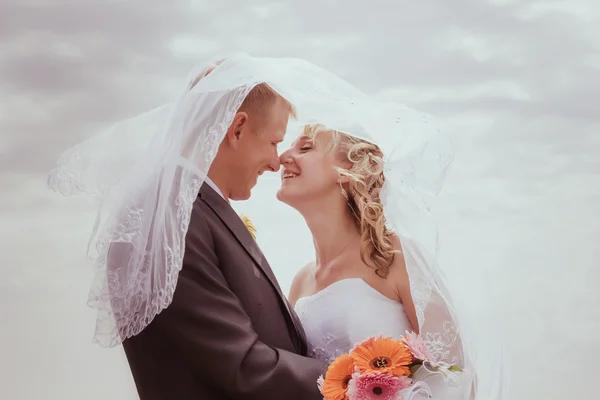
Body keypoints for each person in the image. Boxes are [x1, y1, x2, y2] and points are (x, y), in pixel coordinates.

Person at [275, 122, 507, 399]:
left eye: (305, 148)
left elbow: (454, 372)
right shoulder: (300, 283)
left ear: (348, 171)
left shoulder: (393, 256)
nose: (283, 156)